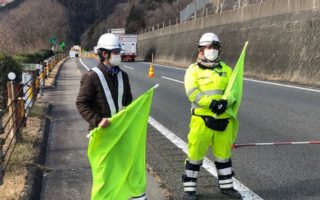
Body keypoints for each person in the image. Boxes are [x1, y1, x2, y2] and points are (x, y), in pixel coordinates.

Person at [76, 33, 146, 200]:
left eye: (118, 52)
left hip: (121, 133)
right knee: (104, 174)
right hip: (102, 135)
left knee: (126, 169)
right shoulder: (91, 77)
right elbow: (81, 103)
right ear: (104, 54)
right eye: (115, 52)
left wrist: (128, 114)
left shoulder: (123, 76)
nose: (118, 55)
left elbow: (128, 100)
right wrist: (98, 121)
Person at [182, 33, 242, 200]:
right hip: (201, 120)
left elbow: (234, 90)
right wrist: (211, 103)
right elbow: (192, 92)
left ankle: (227, 187)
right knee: (195, 155)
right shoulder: (193, 70)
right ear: (201, 50)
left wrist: (225, 101)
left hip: (223, 120)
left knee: (224, 156)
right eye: (209, 47)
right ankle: (189, 190)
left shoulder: (226, 70)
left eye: (215, 47)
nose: (212, 50)